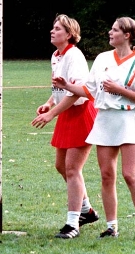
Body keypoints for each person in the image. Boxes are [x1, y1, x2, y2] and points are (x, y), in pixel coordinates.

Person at [53, 17, 135, 241]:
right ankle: (111, 227)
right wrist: (65, 86)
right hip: (104, 121)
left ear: (127, 35)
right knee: (106, 175)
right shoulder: (102, 59)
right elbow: (88, 90)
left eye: (115, 29)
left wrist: (120, 90)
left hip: (128, 120)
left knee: (129, 175)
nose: (110, 32)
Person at [31, 14, 98, 239]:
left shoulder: (74, 56)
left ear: (69, 34)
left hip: (80, 113)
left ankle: (72, 224)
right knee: (61, 166)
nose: (53, 31)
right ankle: (87, 210)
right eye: (53, 27)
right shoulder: (56, 55)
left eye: (58, 28)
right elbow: (58, 87)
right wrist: (49, 102)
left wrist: (51, 114)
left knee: (72, 168)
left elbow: (76, 93)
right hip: (66, 114)